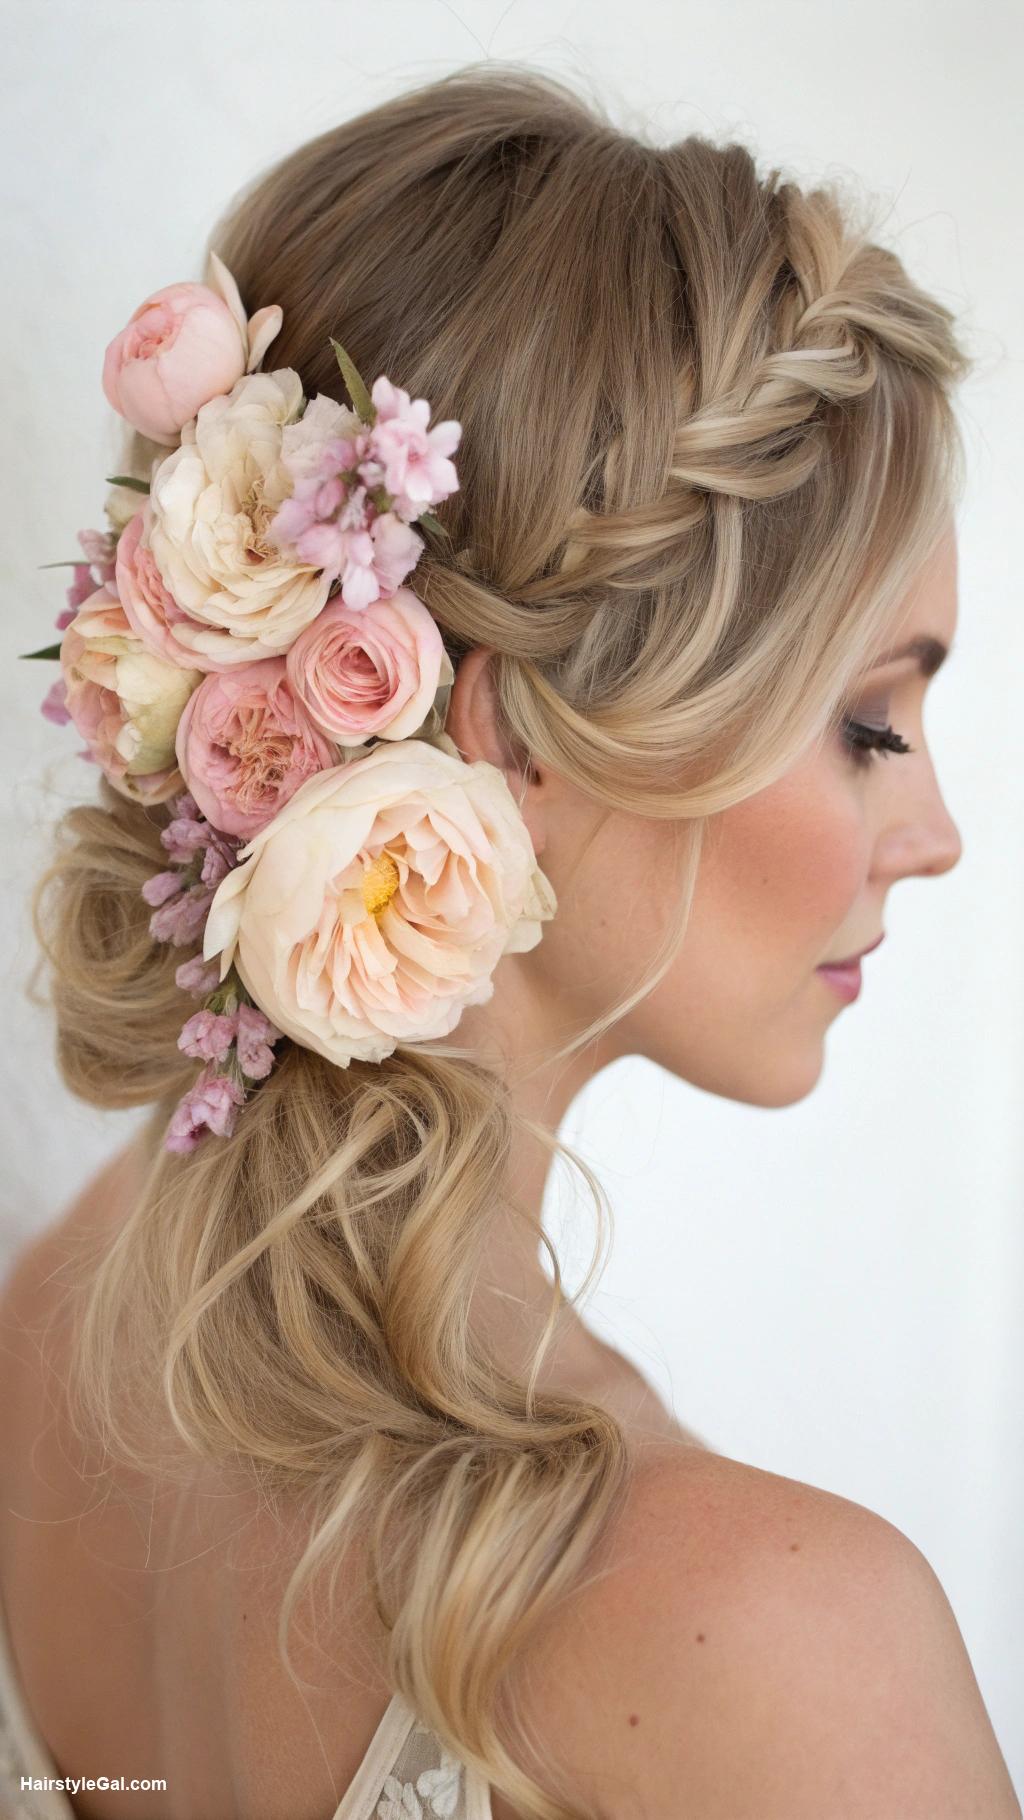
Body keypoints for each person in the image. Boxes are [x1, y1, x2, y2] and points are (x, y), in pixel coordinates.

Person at [1, 62, 1019, 1820]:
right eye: (868, 723)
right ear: (516, 742)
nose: (933, 839)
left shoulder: (65, 1320)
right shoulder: (784, 1656)